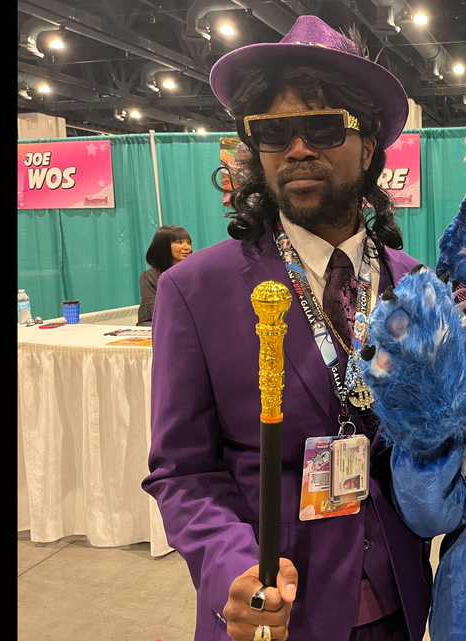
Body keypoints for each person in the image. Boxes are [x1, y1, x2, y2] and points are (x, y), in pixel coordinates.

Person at [142, 16, 429, 641]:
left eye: (323, 127)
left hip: (402, 601)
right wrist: (230, 568)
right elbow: (181, 472)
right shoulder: (195, 290)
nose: (298, 148)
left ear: (370, 144)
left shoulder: (416, 285)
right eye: (272, 133)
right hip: (275, 607)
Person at [138, 225, 192, 326]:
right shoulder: (150, 277)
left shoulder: (195, 273)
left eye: (188, 243)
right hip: (161, 324)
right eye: (179, 242)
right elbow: (153, 313)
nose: (186, 247)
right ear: (163, 246)